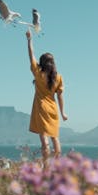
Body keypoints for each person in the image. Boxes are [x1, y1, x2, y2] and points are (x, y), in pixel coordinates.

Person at [26, 30, 68, 166]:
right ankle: (57, 165)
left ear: (42, 63)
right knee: (55, 138)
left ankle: (46, 167)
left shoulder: (38, 73)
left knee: (44, 140)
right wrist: (63, 113)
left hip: (41, 108)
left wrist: (29, 40)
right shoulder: (58, 77)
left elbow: (31, 55)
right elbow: (60, 97)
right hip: (53, 110)